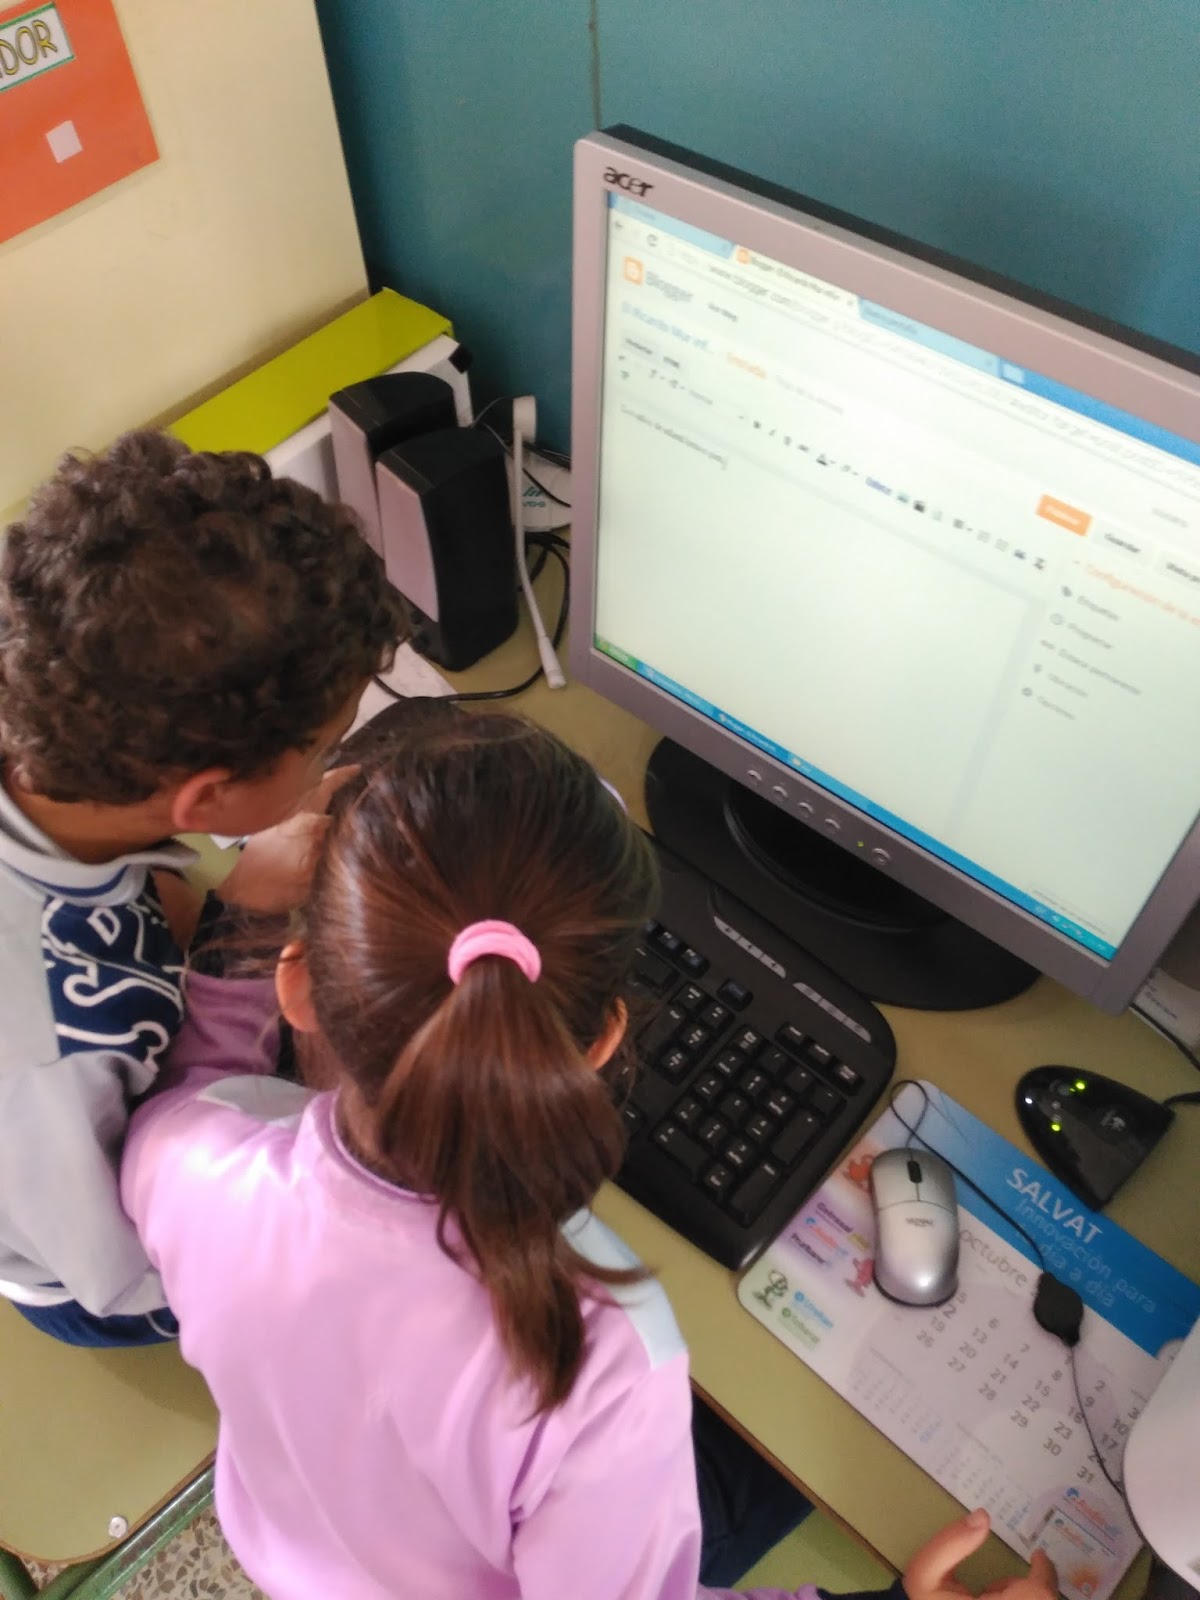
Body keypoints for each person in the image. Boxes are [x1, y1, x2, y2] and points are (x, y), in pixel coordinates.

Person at [121, 708, 1059, 1600]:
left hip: (298, 1551)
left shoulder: (186, 1162)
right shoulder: (601, 1354)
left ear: (299, 987)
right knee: (780, 1463)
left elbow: (194, 1089)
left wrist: (240, 925)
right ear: (605, 1038)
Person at [0, 428, 404, 1346]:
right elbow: (138, 1264)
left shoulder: (50, 727)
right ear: (209, 799)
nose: (329, 760)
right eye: (323, 747)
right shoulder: (49, 1065)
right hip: (108, 1261)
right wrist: (242, 924)